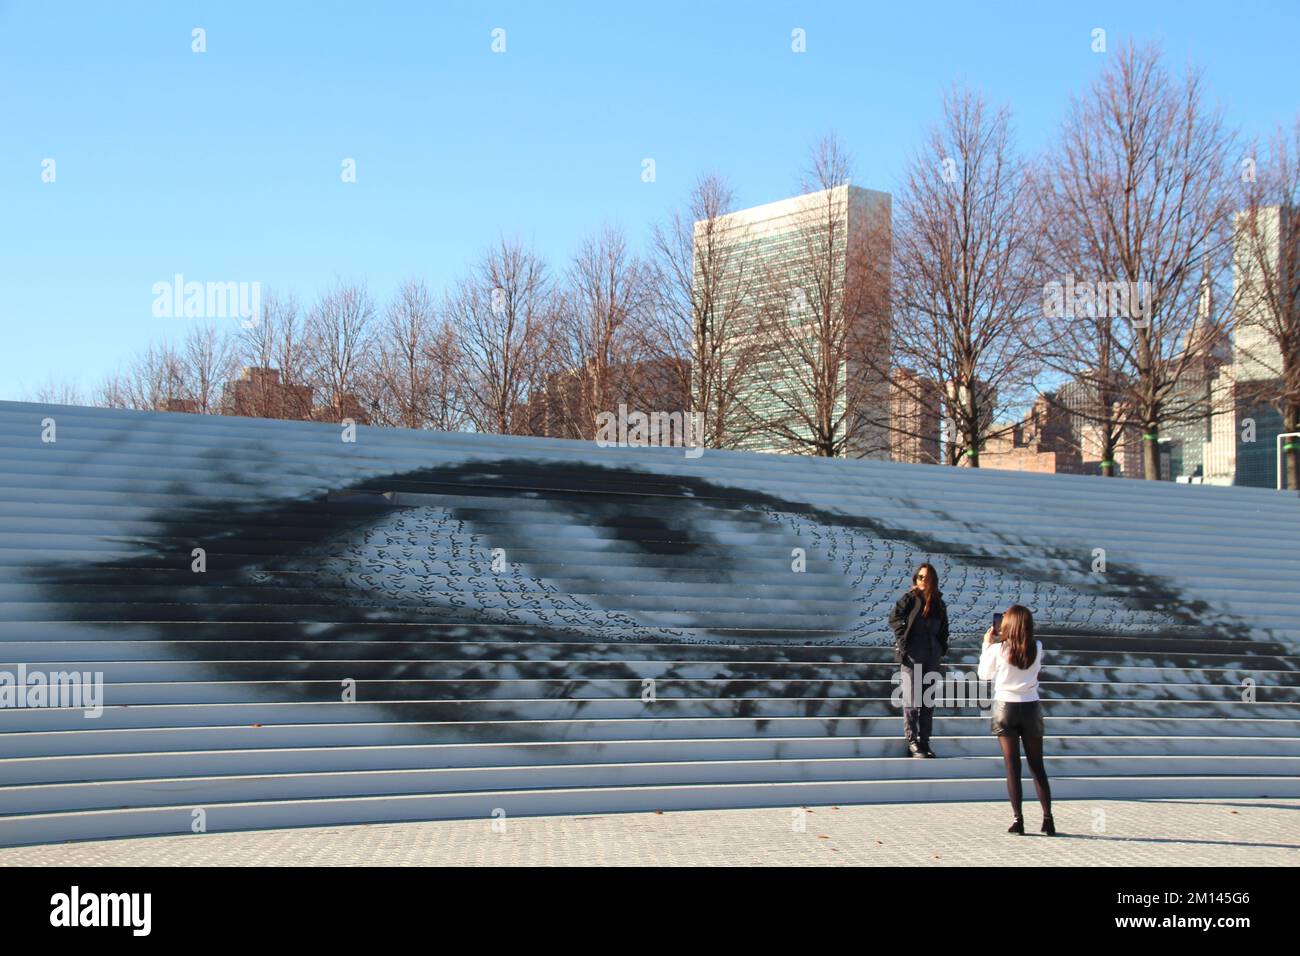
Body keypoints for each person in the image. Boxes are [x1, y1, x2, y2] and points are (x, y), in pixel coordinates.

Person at [978, 604, 1055, 835]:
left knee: (1012, 766)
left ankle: (1018, 819)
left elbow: (984, 675)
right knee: (1037, 765)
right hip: (1031, 707)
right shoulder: (1037, 647)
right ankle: (1048, 819)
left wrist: (986, 644)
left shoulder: (997, 649)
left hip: (1005, 707)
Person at [888, 563, 949, 758]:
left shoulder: (938, 602)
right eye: (920, 577)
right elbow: (894, 619)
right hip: (913, 655)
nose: (923, 581)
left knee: (928, 700)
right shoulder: (909, 598)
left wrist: (942, 647)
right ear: (916, 578)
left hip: (932, 655)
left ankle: (925, 741)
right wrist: (903, 644)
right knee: (912, 700)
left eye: (927, 577)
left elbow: (944, 627)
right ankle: (912, 741)